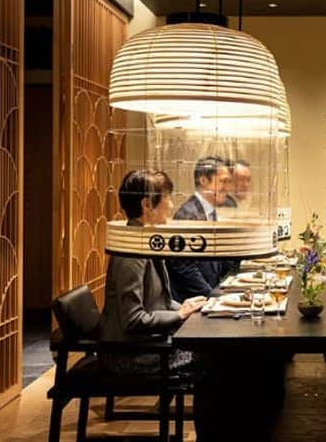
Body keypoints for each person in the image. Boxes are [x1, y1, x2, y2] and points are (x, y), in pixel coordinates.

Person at [99, 169, 207, 376]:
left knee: (215, 350)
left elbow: (161, 301)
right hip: (130, 355)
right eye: (167, 197)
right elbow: (133, 320)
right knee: (215, 355)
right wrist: (179, 314)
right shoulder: (131, 252)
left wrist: (186, 307)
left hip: (147, 344)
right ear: (146, 204)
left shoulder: (144, 241)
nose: (172, 205)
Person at [167, 156, 235, 302]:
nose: (227, 188)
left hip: (209, 296)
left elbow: (216, 258)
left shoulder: (210, 211)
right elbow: (185, 269)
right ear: (204, 180)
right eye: (223, 181)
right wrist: (214, 297)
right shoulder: (188, 215)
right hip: (192, 304)